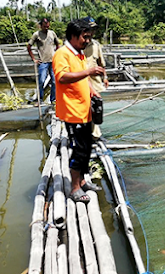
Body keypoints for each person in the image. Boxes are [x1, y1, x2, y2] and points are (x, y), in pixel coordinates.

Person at [52, 18, 105, 203]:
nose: (88, 41)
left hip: (84, 110)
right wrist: (89, 72)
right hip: (73, 112)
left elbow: (83, 80)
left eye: (90, 37)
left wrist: (92, 92)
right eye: (85, 37)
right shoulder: (62, 54)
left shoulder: (79, 54)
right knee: (79, 150)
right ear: (73, 36)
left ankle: (82, 180)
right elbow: (63, 77)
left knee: (87, 147)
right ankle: (74, 188)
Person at [83, 16, 109, 140]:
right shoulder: (77, 46)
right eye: (89, 29)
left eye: (93, 30)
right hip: (81, 81)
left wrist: (105, 77)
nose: (92, 32)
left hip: (94, 81)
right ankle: (91, 134)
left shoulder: (96, 45)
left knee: (94, 107)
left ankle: (95, 134)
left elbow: (101, 63)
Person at [27, 18, 60, 105]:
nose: (46, 28)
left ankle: (53, 99)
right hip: (43, 61)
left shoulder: (52, 33)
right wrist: (34, 59)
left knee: (54, 81)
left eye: (48, 26)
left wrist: (57, 54)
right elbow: (29, 46)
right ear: (40, 26)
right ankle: (40, 99)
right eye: (45, 26)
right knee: (41, 80)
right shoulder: (36, 35)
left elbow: (58, 44)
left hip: (52, 61)